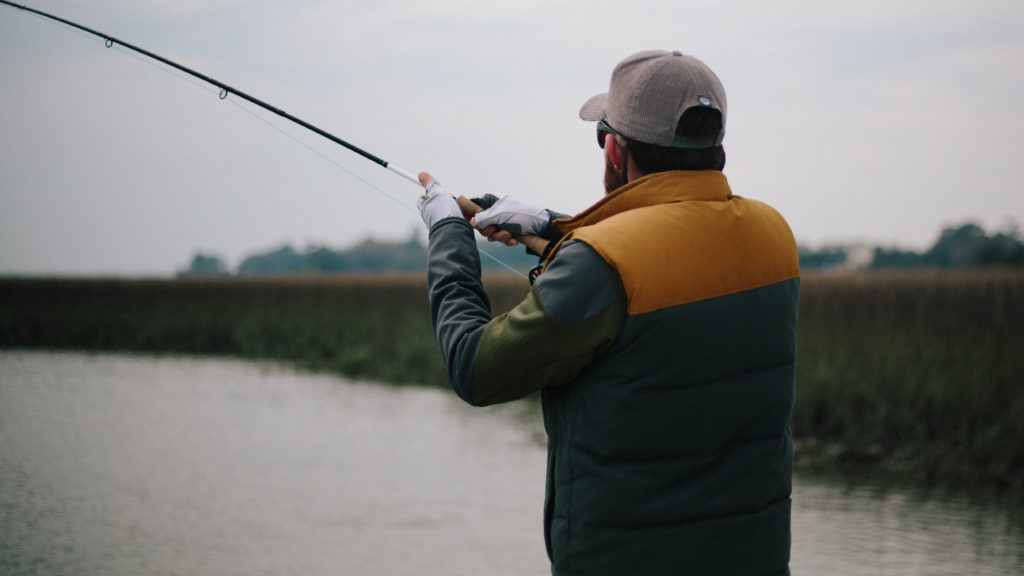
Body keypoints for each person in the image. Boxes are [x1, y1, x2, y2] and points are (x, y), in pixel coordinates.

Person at [416, 50, 799, 576]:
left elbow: (474, 367)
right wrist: (552, 226)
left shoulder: (601, 263)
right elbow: (670, 247)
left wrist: (446, 235)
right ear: (715, 144)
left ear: (615, 150)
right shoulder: (774, 237)